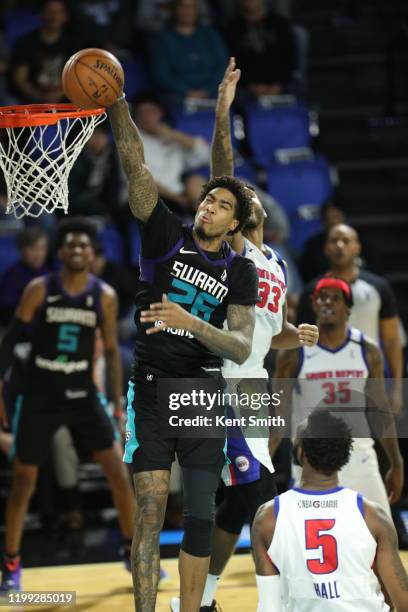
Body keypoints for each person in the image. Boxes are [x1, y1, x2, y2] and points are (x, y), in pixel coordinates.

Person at [171, 58, 319, 612]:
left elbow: (270, 334)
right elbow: (222, 168)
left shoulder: (275, 261)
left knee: (242, 507)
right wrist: (224, 110)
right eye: (236, 198)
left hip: (253, 382)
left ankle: (203, 598)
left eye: (246, 195)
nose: (242, 196)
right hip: (224, 382)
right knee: (259, 498)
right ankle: (279, 600)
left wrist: (293, 335)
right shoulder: (236, 249)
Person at [108, 81, 260, 612]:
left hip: (201, 394)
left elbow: (240, 347)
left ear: (235, 223)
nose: (209, 208)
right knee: (149, 512)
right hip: (150, 391)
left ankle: (193, 607)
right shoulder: (165, 235)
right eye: (208, 200)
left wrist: (189, 322)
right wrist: (116, 103)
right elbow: (137, 167)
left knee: (200, 514)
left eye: (221, 206)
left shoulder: (240, 271)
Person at [0, 218, 135, 593]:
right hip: (42, 389)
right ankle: (11, 562)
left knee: (117, 472)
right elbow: (10, 342)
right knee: (24, 479)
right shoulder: (39, 290)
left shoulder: (104, 296)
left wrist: (117, 404)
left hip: (81, 390)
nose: (77, 250)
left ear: (92, 254)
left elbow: (109, 349)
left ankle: (132, 551)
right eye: (71, 245)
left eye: (84, 246)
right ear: (60, 253)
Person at [252, 409, 408, 611]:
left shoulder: (268, 517)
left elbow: (269, 606)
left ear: (301, 452)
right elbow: (403, 602)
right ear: (344, 453)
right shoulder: (373, 516)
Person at [274, 276, 404, 517]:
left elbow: (379, 410)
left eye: (335, 298)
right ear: (313, 306)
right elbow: (278, 413)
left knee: (383, 538)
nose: (327, 303)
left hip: (360, 456)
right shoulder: (294, 352)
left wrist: (396, 461)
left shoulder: (368, 349)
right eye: (321, 298)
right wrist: (265, 461)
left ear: (348, 308)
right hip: (312, 460)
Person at [296, 224, 404, 413]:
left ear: (357, 247)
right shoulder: (311, 292)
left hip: (371, 380)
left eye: (346, 241)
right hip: (325, 381)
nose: (339, 245)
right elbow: (301, 344)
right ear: (326, 248)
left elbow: (392, 340)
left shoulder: (378, 287)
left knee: (372, 441)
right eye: (334, 241)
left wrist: (397, 388)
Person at [132, 92, 210, 211]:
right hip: (149, 199)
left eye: (151, 111)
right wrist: (178, 200)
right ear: (135, 117)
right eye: (141, 113)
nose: (146, 117)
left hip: (180, 196)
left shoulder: (170, 135)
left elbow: (205, 155)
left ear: (160, 112)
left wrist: (172, 135)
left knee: (196, 181)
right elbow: (140, 181)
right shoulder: (132, 142)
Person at [149, 0, 228, 105]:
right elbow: (162, 75)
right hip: (178, 95)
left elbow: (222, 65)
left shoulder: (210, 35)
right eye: (183, 7)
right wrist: (187, 91)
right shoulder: (162, 39)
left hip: (213, 91)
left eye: (192, 7)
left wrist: (207, 90)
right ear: (174, 10)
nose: (188, 11)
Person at [222, 0, 297, 99]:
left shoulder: (280, 24)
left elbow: (290, 58)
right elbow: (231, 62)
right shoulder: (232, 29)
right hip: (246, 87)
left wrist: (278, 85)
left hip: (281, 84)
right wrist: (251, 86)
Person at [10, 0, 76, 104]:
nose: (54, 16)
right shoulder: (26, 42)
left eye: (58, 12)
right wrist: (39, 96)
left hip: (65, 99)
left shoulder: (74, 43)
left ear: (66, 16)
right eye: (49, 11)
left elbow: (77, 78)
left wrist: (58, 94)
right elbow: (20, 79)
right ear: (41, 14)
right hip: (30, 101)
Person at [0, 226, 50, 327]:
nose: (38, 254)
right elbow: (7, 313)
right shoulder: (12, 276)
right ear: (21, 250)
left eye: (41, 248)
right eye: (33, 249)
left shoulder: (53, 271)